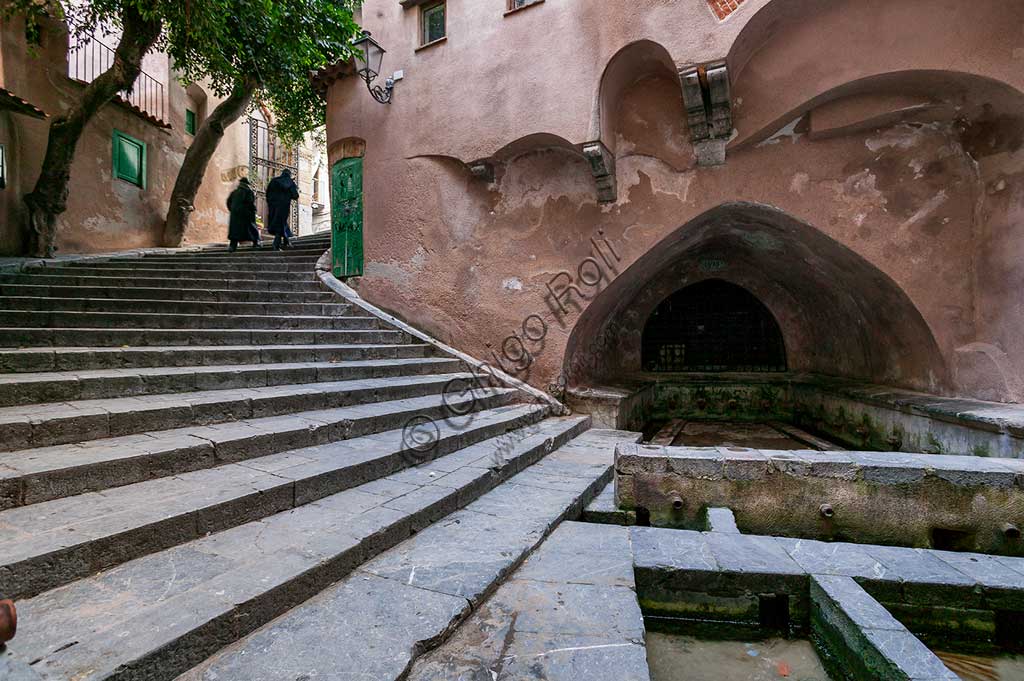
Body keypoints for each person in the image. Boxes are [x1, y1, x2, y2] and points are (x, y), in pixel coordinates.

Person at [265, 169, 299, 251]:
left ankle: (286, 241)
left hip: (273, 206)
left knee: (280, 223)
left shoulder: (274, 181)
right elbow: (295, 196)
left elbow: (267, 194)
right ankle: (276, 245)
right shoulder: (290, 182)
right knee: (280, 224)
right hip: (283, 207)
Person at [226, 177, 260, 251]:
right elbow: (250, 203)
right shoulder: (248, 192)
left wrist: (232, 210)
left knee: (235, 231)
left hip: (235, 215)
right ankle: (256, 242)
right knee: (251, 228)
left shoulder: (234, 192)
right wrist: (253, 211)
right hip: (245, 214)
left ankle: (232, 246)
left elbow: (228, 202)